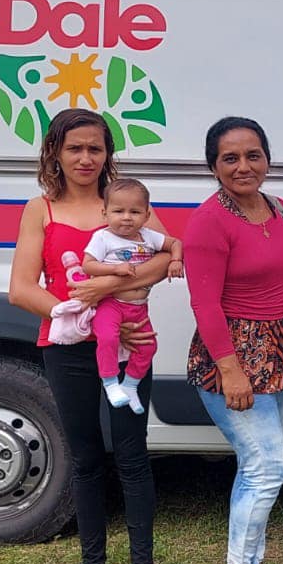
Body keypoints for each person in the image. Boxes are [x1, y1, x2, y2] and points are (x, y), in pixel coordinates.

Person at [8, 108, 171, 564]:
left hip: (129, 343)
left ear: (107, 154)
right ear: (55, 152)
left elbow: (165, 258)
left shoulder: (125, 201)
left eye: (95, 148)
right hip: (67, 346)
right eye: (74, 148)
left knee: (132, 456)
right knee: (84, 459)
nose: (85, 158)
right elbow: (21, 289)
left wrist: (104, 287)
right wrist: (78, 313)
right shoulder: (40, 209)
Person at [185, 117, 283, 564]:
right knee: (268, 467)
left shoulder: (280, 209)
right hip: (234, 357)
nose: (244, 166)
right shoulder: (208, 221)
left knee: (258, 464)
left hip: (280, 353)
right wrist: (230, 370)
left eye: (253, 155)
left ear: (267, 159)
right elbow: (204, 304)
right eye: (230, 158)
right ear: (213, 167)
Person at [81, 177, 184, 415]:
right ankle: (110, 383)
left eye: (135, 212)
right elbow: (88, 265)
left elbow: (175, 243)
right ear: (105, 213)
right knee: (107, 338)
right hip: (111, 304)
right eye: (119, 211)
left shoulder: (148, 236)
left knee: (149, 347)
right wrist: (114, 269)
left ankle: (130, 385)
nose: (127, 217)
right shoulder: (103, 238)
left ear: (146, 216)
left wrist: (176, 260)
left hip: (138, 307)